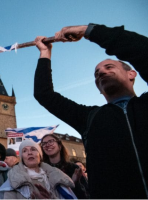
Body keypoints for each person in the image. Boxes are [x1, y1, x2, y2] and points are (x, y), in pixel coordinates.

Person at [33, 23, 148, 198]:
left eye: (109, 67)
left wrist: (89, 31)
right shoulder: (90, 118)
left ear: (132, 74)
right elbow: (44, 94)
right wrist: (45, 53)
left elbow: (142, 50)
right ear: (98, 88)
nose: (101, 72)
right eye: (96, 73)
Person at [0, 139, 76, 199]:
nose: (29, 153)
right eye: (24, 151)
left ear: (40, 155)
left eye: (33, 149)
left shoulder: (56, 176)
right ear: (22, 158)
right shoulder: (14, 179)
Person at [41, 134, 89, 198]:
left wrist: (76, 183)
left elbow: (86, 195)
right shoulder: (42, 170)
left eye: (51, 141)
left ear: (59, 146)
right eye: (44, 143)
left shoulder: (73, 168)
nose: (47, 145)